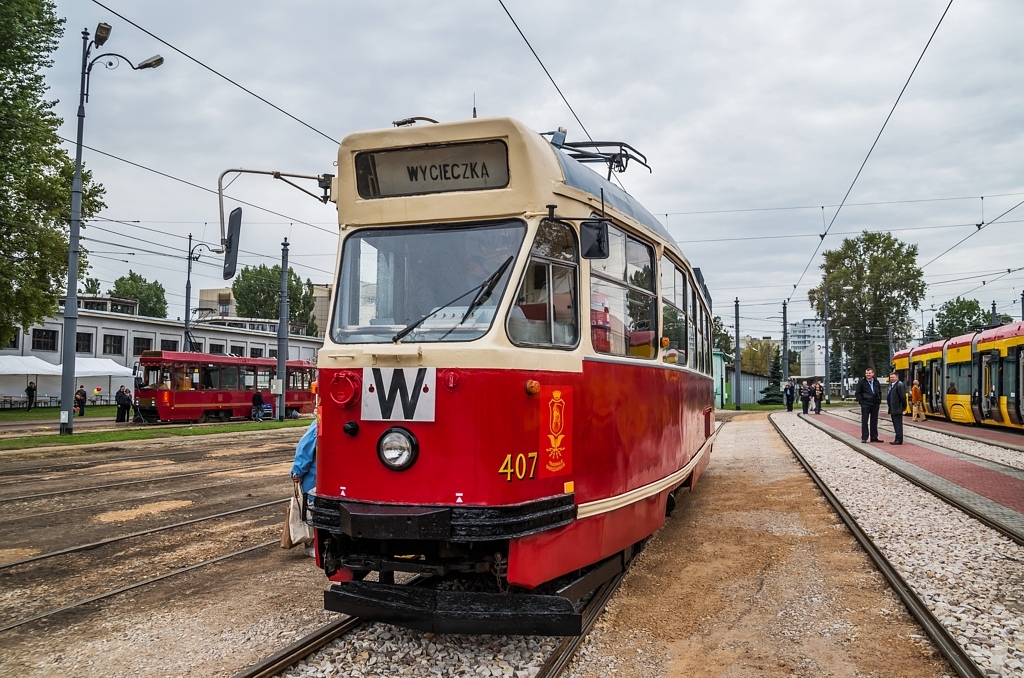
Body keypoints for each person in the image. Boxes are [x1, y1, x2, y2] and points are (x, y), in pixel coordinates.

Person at [290, 420, 317, 557]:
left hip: (315, 476)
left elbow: (304, 448)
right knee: (312, 510)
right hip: (316, 477)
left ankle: (313, 544)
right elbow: (305, 449)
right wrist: (298, 471)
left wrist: (298, 471)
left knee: (311, 510)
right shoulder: (320, 423)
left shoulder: (320, 423)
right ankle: (312, 544)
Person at [855, 368, 883, 443]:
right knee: (865, 421)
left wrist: (879, 400)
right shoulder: (861, 382)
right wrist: (861, 402)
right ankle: (864, 437)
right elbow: (858, 393)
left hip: (875, 404)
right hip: (866, 403)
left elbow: (879, 392)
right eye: (867, 373)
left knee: (874, 421)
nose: (868, 374)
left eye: (869, 373)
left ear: (873, 374)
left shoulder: (876, 382)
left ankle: (874, 437)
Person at [886, 371, 907, 445]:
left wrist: (903, 406)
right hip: (893, 408)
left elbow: (902, 397)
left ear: (897, 377)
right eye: (891, 377)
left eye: (893, 377)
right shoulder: (891, 385)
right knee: (895, 424)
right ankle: (897, 438)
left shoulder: (899, 385)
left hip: (897, 408)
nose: (891, 378)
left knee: (898, 424)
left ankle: (899, 439)